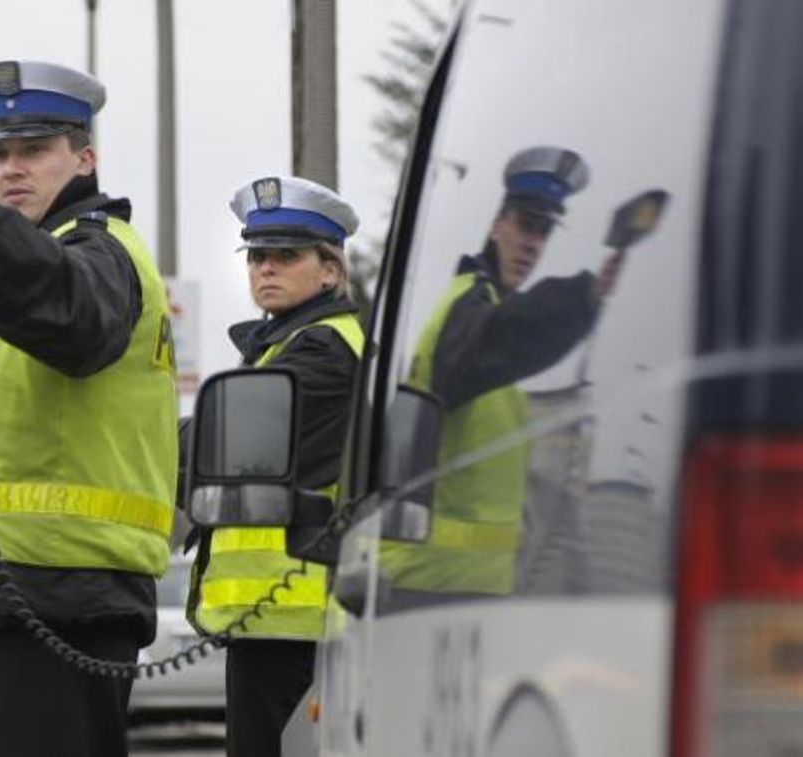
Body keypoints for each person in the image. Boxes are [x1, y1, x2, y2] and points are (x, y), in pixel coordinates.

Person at [0, 60, 178, 757]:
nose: (11, 169)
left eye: (34, 150)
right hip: (51, 587)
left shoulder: (101, 253)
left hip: (58, 585)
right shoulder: (64, 251)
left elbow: (72, 311)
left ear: (85, 157)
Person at [387, 145, 624, 598]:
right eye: (525, 224)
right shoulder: (469, 309)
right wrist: (585, 296)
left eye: (545, 231)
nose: (534, 243)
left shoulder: (486, 314)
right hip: (430, 588)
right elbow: (509, 335)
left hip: (469, 591)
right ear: (496, 224)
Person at [186, 176, 364, 757]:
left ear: (331, 270)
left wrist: (144, 445)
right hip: (277, 620)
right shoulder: (282, 346)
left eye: (287, 256)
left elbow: (234, 439)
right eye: (258, 256)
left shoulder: (326, 349)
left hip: (297, 619)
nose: (266, 268)